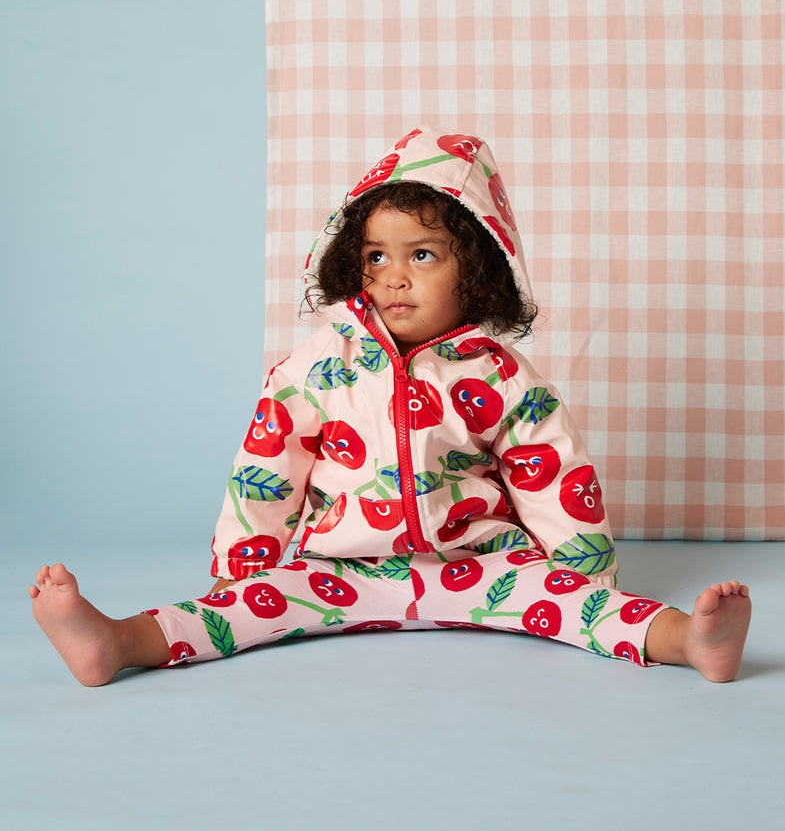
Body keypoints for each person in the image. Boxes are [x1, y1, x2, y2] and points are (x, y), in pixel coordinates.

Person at [30, 126, 751, 685]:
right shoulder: (321, 360)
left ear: (478, 270)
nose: (393, 277)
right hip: (336, 573)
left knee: (580, 609)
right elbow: (269, 460)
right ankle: (116, 642)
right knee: (236, 613)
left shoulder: (499, 373)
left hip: (484, 569)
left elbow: (550, 473)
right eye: (376, 256)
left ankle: (689, 641)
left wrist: (579, 574)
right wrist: (243, 567)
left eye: (423, 255)